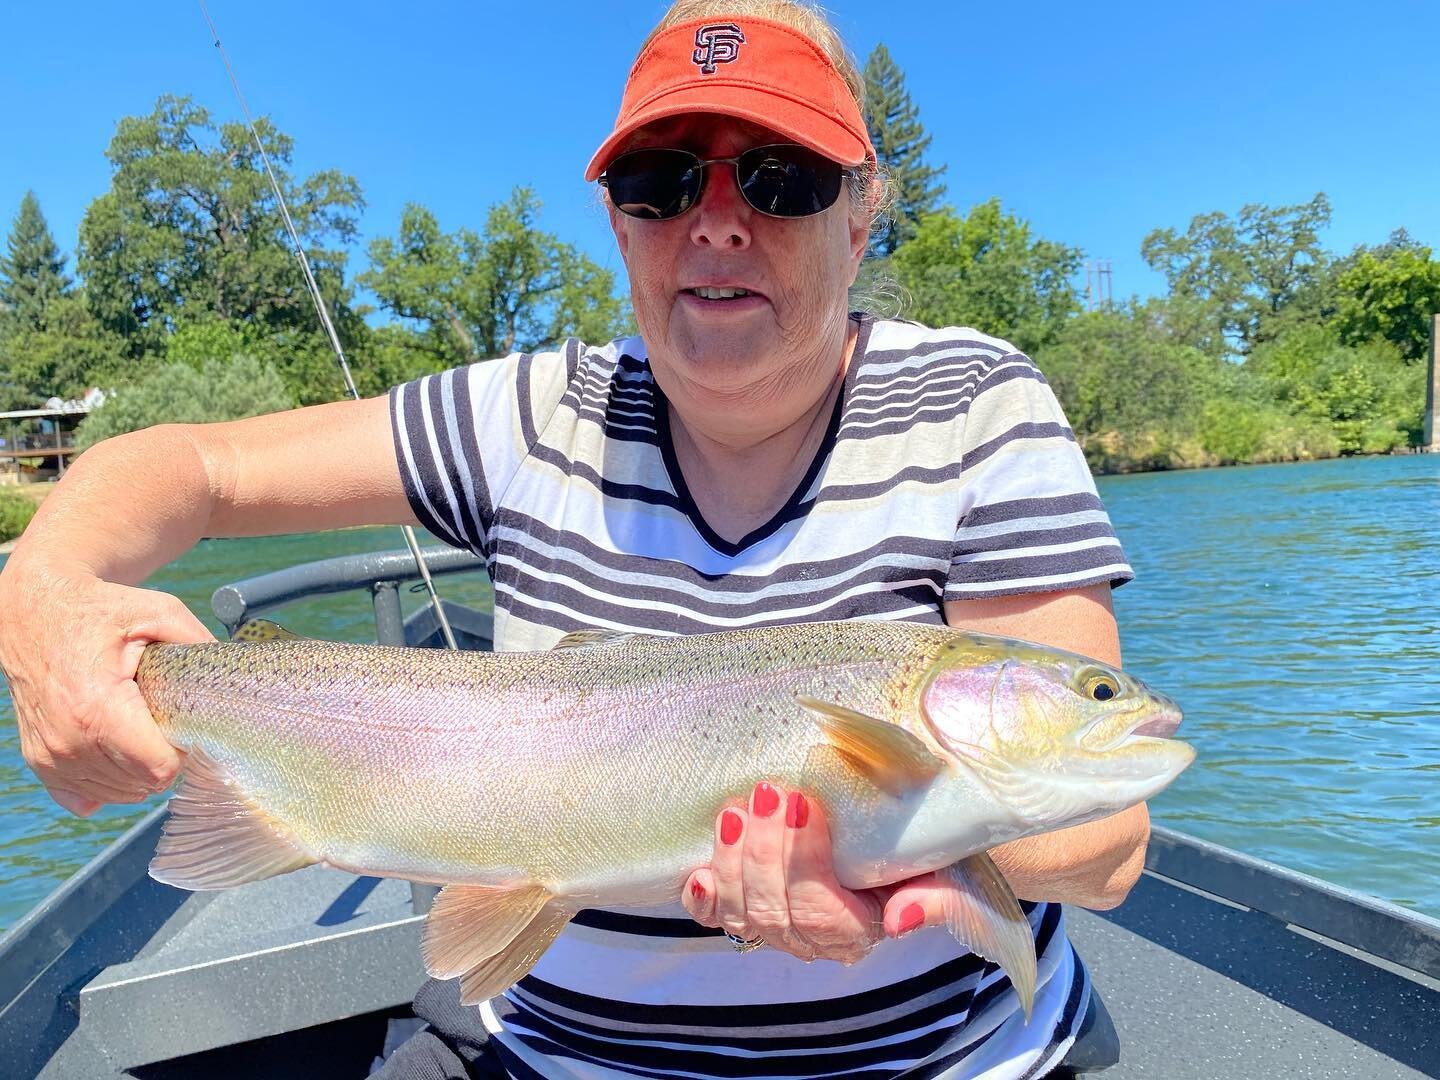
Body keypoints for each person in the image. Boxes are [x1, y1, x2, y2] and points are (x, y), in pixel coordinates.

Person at [0, 2, 1146, 1076]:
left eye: (780, 177)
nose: (717, 219)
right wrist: (43, 594)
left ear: (861, 213)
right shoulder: (527, 415)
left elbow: (1105, 835)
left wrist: (893, 840)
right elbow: (190, 467)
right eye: (660, 180)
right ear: (616, 221)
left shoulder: (975, 405)